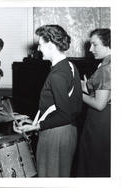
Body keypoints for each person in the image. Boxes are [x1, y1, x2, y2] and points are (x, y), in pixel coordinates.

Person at [14, 25, 83, 177]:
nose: (38, 49)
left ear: (51, 45)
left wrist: (36, 126)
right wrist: (35, 122)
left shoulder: (57, 75)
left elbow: (64, 114)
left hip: (56, 133)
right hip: (66, 130)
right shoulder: (69, 66)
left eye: (40, 44)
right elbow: (69, 108)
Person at [77, 28, 111, 177]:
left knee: (94, 163)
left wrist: (78, 94)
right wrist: (85, 86)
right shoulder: (108, 63)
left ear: (109, 44)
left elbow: (99, 104)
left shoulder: (106, 68)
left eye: (95, 45)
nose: (91, 49)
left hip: (100, 121)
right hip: (105, 119)